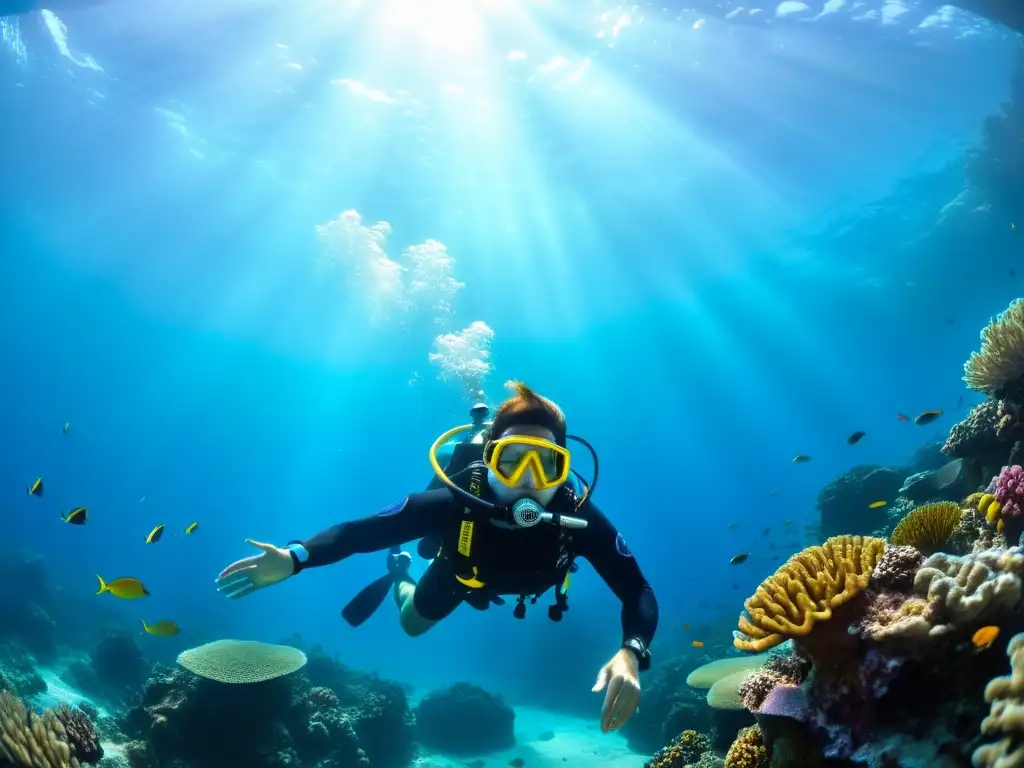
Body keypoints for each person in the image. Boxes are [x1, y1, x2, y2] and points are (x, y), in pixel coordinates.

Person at [215, 381, 658, 733]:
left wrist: (632, 651)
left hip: (520, 580)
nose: (527, 480)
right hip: (460, 574)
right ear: (487, 459)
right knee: (411, 625)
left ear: (563, 469)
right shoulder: (452, 499)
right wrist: (295, 556)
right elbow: (357, 532)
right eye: (512, 460)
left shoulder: (576, 512)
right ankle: (401, 573)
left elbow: (635, 587)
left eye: (545, 464)